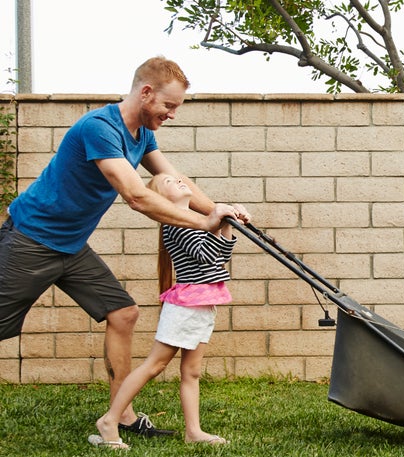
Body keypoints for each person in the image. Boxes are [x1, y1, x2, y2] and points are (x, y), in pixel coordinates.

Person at [0, 56, 250, 437]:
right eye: (169, 105)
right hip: (32, 239)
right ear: (146, 93)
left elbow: (172, 177)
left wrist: (218, 210)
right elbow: (136, 195)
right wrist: (204, 222)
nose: (172, 114)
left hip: (71, 245)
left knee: (123, 313)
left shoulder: (144, 134)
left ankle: (122, 415)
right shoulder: (99, 128)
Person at [91, 173, 237, 448]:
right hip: (185, 308)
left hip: (202, 305)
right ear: (160, 199)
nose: (179, 182)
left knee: (191, 372)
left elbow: (220, 257)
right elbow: (207, 254)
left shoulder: (195, 221)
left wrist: (227, 221)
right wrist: (216, 219)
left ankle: (193, 432)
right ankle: (110, 419)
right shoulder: (176, 225)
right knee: (155, 365)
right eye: (169, 182)